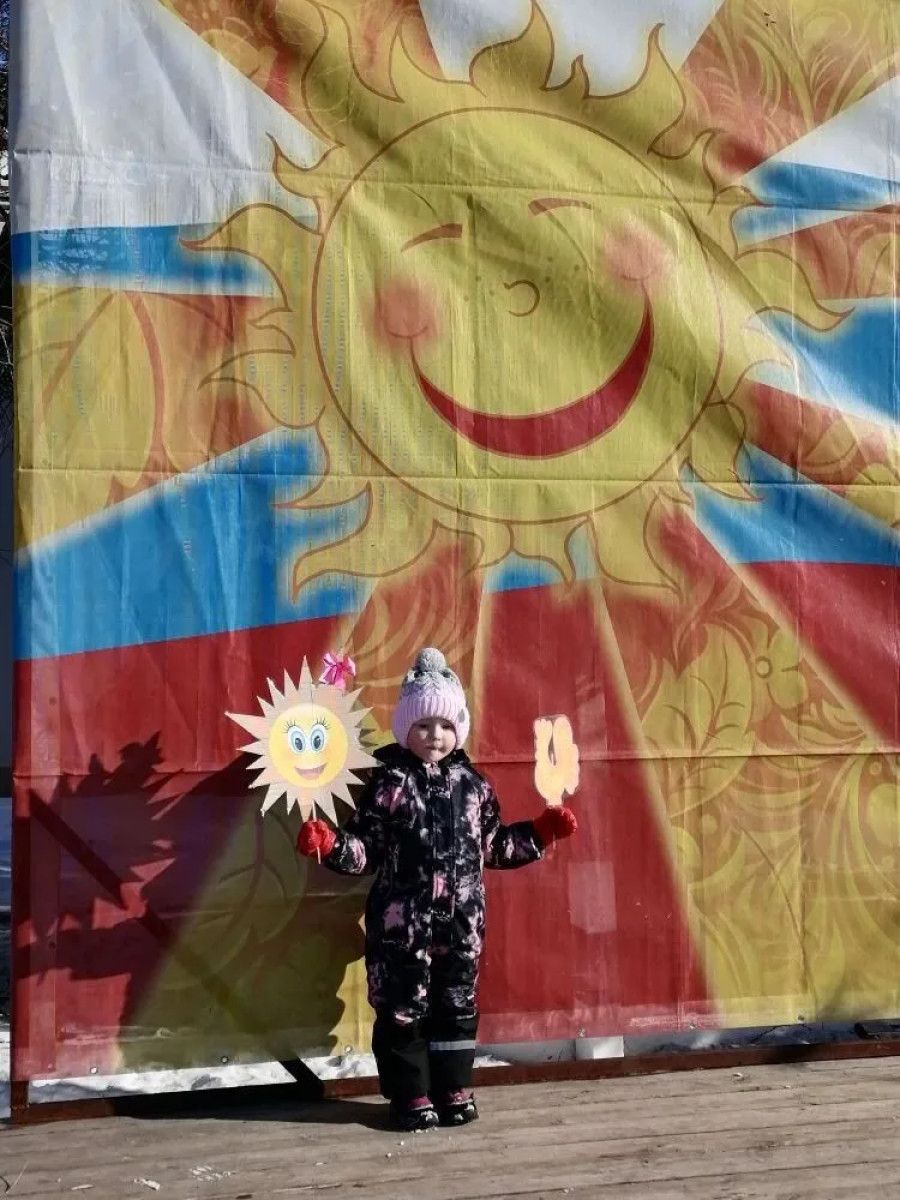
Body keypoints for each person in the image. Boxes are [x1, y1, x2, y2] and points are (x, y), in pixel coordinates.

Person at [296, 647, 577, 1131]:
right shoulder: (389, 783)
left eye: (445, 725)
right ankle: (411, 1094)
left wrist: (538, 833)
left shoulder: (474, 786)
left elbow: (494, 845)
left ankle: (452, 1087)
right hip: (401, 932)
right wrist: (332, 845)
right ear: (405, 728)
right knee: (401, 1011)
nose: (435, 735)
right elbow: (367, 849)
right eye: (423, 725)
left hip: (462, 929)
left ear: (458, 729)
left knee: (456, 1008)